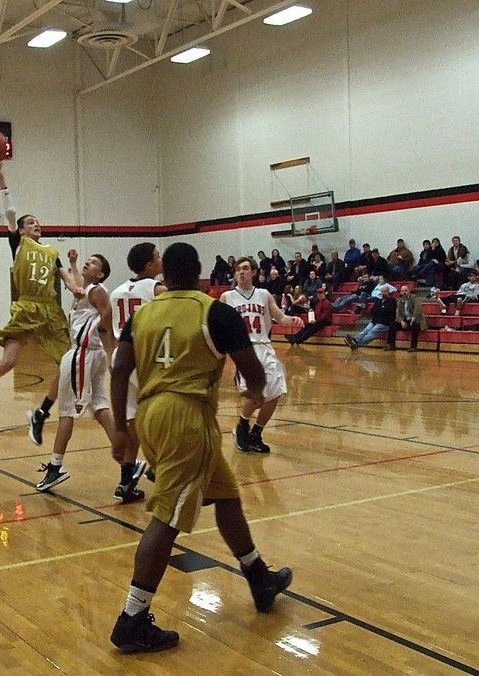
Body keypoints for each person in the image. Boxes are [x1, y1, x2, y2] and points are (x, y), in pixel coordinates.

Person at [109, 243, 292, 654]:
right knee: (168, 516)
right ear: (200, 274)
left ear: (166, 275)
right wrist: (258, 391)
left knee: (225, 493)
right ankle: (133, 618)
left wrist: (121, 429)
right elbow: (251, 372)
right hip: (186, 417)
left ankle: (258, 576)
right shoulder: (213, 311)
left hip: (152, 415)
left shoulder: (144, 314)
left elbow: (121, 370)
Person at [0, 162, 83, 449]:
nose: (36, 225)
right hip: (28, 307)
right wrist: (2, 179)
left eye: (38, 222)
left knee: (68, 365)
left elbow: (70, 284)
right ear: (20, 229)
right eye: (31, 222)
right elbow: (10, 211)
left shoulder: (52, 252)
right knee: (10, 360)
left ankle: (40, 413)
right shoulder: (19, 244)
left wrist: (75, 271)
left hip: (51, 312)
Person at [35, 253, 118, 494]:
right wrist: (71, 264)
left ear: (100, 273)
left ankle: (56, 467)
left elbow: (107, 319)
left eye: (93, 263)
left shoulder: (97, 291)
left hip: (83, 354)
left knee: (66, 412)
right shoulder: (87, 289)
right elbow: (77, 285)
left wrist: (111, 350)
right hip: (91, 354)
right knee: (101, 409)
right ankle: (128, 463)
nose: (87, 263)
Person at [220, 257, 304, 453]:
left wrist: (291, 320)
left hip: (265, 346)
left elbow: (279, 316)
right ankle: (241, 426)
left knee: (276, 393)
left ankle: (256, 433)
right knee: (255, 394)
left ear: (254, 272)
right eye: (238, 269)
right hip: (243, 349)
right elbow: (220, 326)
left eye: (245, 269)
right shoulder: (227, 297)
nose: (241, 272)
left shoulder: (264, 294)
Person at [108, 242, 167, 502]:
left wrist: (113, 354)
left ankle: (126, 482)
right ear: (149, 265)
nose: (161, 259)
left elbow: (104, 327)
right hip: (144, 356)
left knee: (133, 423)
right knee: (159, 415)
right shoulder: (156, 289)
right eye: (157, 256)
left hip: (120, 358)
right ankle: (156, 467)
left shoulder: (117, 291)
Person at [385, 285, 426, 352]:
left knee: (414, 326)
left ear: (409, 291)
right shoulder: (399, 301)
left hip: (416, 319)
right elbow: (398, 313)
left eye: (406, 291)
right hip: (406, 320)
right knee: (392, 325)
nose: (404, 292)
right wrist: (401, 321)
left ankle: (413, 346)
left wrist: (413, 318)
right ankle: (390, 344)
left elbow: (418, 308)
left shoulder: (414, 297)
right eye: (402, 291)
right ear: (400, 293)